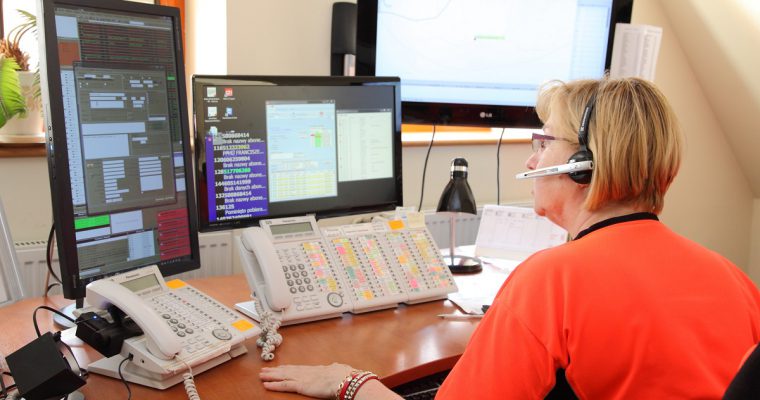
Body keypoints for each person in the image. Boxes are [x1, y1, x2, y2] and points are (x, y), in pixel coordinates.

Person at [258, 77, 760, 399]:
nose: (530, 160)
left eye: (543, 142)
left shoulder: (551, 280)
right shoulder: (731, 276)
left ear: (583, 164)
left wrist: (348, 382)